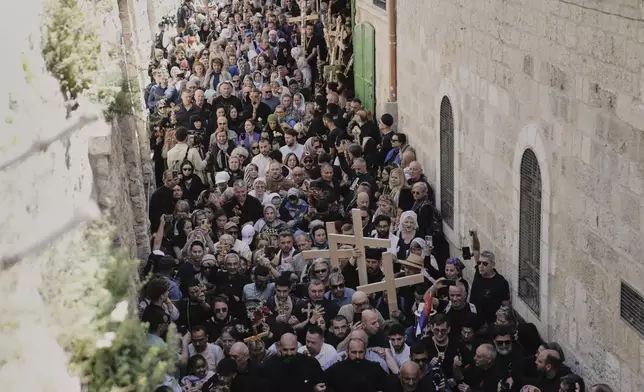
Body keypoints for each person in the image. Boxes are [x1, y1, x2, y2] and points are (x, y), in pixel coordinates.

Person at [256, 333, 325, 392]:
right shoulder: (269, 366)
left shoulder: (311, 363)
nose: (289, 353)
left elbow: (322, 385)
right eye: (285, 350)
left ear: (297, 347)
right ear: (279, 347)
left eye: (292, 349)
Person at [324, 337, 389, 392]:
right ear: (347, 352)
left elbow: (389, 383)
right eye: (354, 352)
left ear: (365, 352)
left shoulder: (375, 368)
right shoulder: (336, 369)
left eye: (361, 352)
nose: (357, 356)